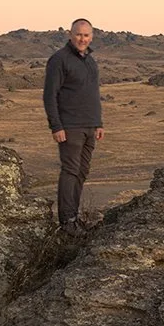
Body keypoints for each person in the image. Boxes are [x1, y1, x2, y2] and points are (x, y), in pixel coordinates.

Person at [43, 18, 103, 231]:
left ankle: (74, 216)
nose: (82, 39)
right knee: (70, 170)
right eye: (78, 34)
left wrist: (98, 123)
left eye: (86, 35)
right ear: (70, 34)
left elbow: (93, 93)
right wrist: (56, 126)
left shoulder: (90, 61)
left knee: (82, 170)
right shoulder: (59, 60)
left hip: (89, 126)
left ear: (91, 36)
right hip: (70, 126)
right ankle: (66, 221)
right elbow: (50, 95)